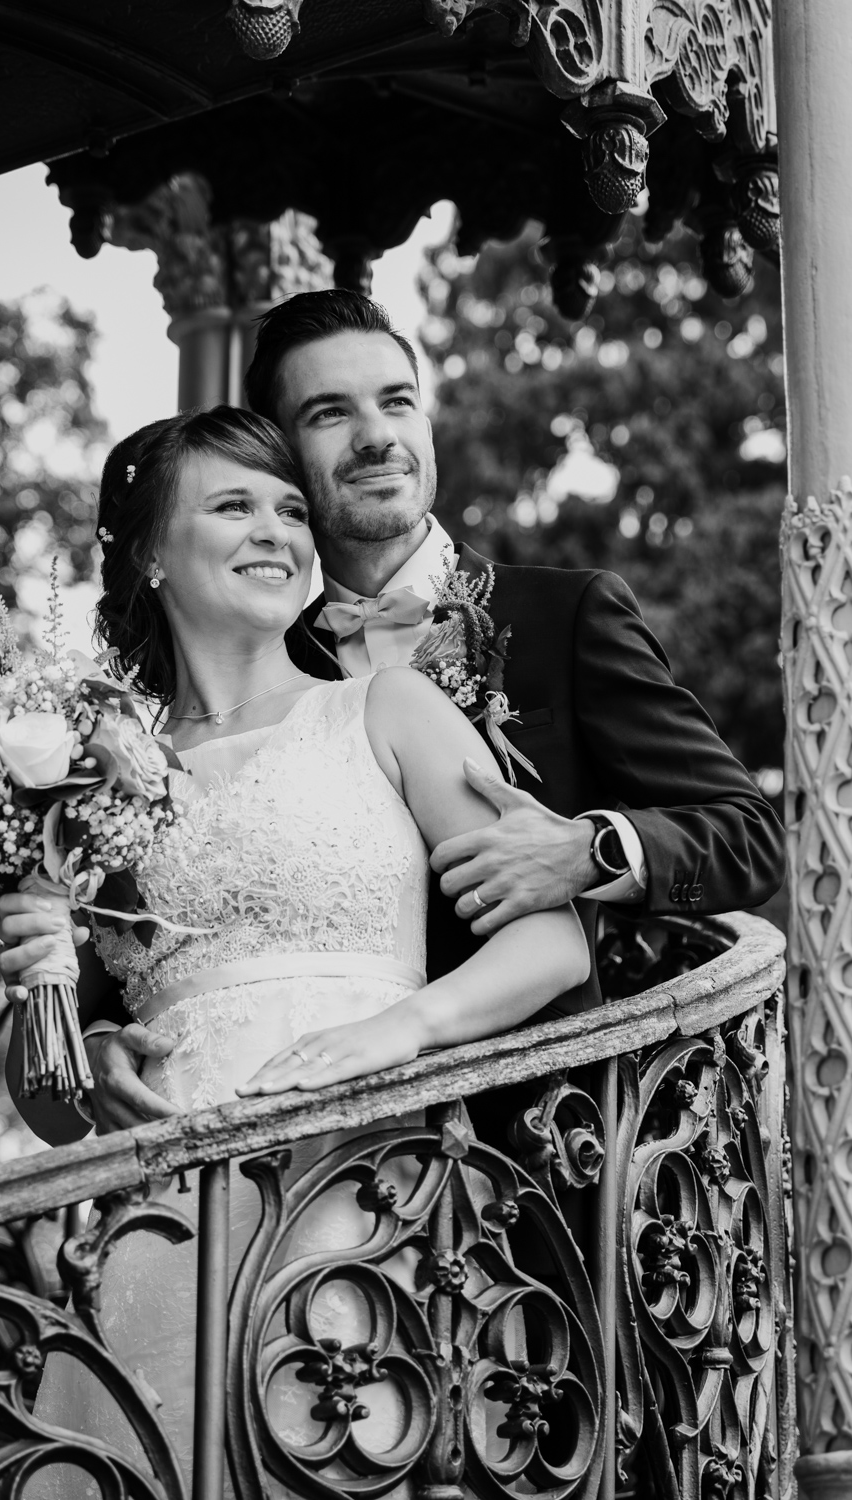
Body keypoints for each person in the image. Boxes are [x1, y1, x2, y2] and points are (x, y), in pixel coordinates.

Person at [0, 405, 587, 1486]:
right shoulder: (91, 784)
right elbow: (49, 1107)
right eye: (234, 506)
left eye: (288, 509)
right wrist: (91, 1049)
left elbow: (552, 944)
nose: (276, 530)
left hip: (366, 1182)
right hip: (164, 1223)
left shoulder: (387, 710)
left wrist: (401, 1029)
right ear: (151, 554)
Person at [58, 289, 785, 1140]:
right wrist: (97, 1040)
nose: (376, 436)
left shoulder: (564, 615)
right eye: (330, 412)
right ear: (279, 447)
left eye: (398, 401)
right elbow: (168, 946)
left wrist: (588, 849)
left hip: (532, 1138)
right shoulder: (259, 656)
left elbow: (747, 835)